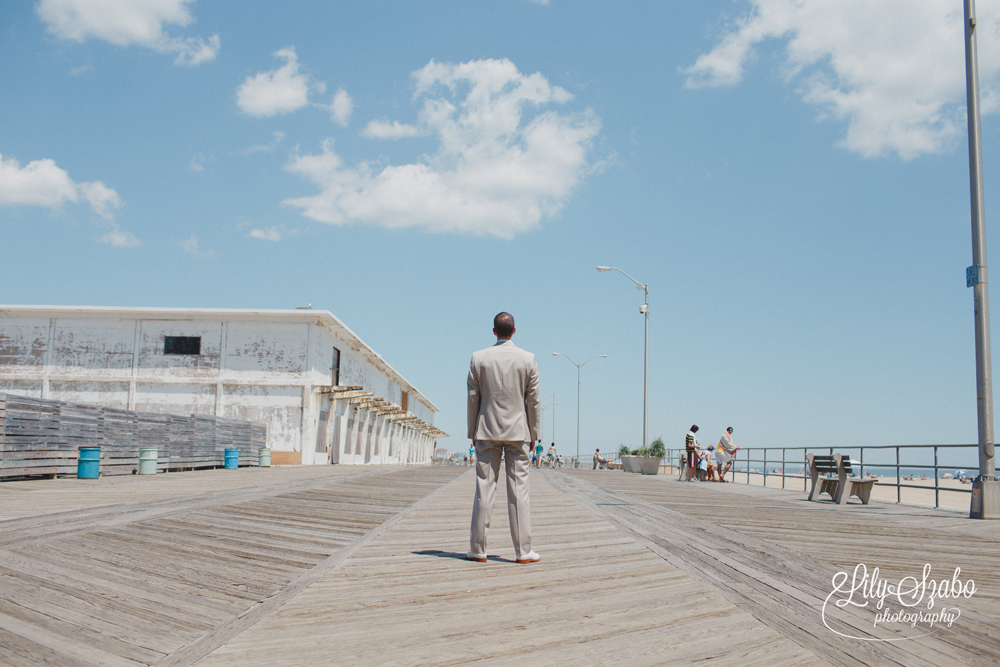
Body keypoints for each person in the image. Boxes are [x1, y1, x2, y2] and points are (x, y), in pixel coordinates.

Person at [466, 312, 541, 564]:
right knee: (519, 490)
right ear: (515, 330)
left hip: (486, 430)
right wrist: (535, 434)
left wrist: (472, 431)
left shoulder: (479, 358)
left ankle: (478, 549)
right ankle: (523, 551)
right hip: (519, 432)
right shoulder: (528, 359)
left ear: (494, 331)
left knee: (484, 488)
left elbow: (473, 398)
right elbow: (534, 401)